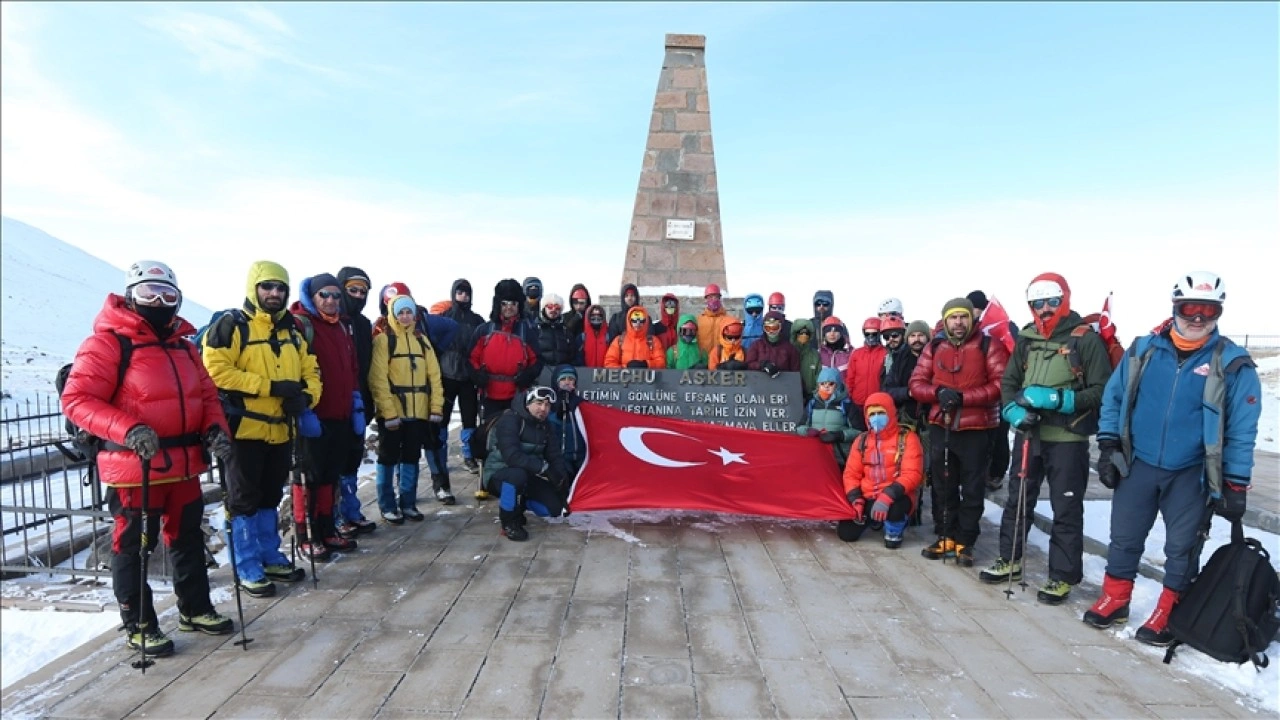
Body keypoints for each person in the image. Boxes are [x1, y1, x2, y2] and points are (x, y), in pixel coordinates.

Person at [62, 261, 234, 656]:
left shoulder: (184, 348)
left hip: (184, 463)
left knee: (187, 538)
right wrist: (127, 430)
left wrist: (215, 431)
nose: (158, 301)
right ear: (129, 296)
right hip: (134, 466)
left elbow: (207, 397)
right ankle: (139, 623)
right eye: (148, 293)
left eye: (167, 295)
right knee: (134, 546)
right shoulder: (107, 343)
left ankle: (195, 607)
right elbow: (77, 400)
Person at [1082, 271, 1260, 646]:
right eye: (1189, 308)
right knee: (1124, 537)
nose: (1197, 319)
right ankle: (1116, 597)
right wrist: (1109, 445)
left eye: (1208, 311)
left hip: (1192, 472)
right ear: (1175, 307)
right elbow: (1114, 399)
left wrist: (1235, 483)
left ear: (1218, 313)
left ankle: (1169, 608)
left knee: (1182, 546)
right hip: (1139, 464)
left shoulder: (1232, 363)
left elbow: (1243, 430)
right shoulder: (1143, 349)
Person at [981, 273, 1112, 605]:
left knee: (1065, 505)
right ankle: (1009, 558)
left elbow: (1101, 390)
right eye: (1038, 303)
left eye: (1052, 301)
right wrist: (1012, 412)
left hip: (1067, 438)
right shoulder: (1026, 338)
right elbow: (1010, 381)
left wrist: (1060, 401)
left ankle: (1062, 576)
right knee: (1018, 498)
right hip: (1028, 433)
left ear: (1064, 299)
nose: (1045, 309)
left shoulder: (1085, 339)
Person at [203, 261, 319, 595]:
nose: (274, 293)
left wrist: (307, 396)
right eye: (267, 286)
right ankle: (246, 564)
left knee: (270, 495)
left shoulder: (292, 331)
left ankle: (270, 555)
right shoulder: (231, 326)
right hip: (243, 431)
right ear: (254, 288)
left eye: (281, 288)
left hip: (281, 429)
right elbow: (216, 371)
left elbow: (312, 369)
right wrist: (270, 387)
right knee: (243, 500)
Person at [908, 297, 1009, 566]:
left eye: (963, 317)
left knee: (973, 488)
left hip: (977, 427)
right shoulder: (935, 346)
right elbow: (916, 383)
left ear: (971, 318)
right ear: (946, 320)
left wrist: (964, 397)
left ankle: (966, 540)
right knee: (942, 485)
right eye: (953, 317)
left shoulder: (989, 345)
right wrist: (938, 393)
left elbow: (1001, 385)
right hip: (942, 424)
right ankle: (945, 535)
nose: (959, 322)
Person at [288, 273, 361, 559]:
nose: (330, 301)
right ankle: (306, 535)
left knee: (330, 475)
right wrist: (304, 409)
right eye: (324, 295)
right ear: (313, 296)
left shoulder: (342, 327)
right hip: (314, 416)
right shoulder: (301, 324)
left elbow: (351, 369)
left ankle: (327, 529)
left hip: (339, 414)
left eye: (335, 296)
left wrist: (355, 403)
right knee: (308, 477)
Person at [370, 293, 445, 523]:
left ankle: (408, 502)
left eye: (408, 312)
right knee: (387, 459)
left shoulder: (422, 341)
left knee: (411, 458)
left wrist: (436, 407)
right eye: (400, 312)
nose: (404, 316)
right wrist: (388, 412)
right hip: (393, 413)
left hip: (418, 412)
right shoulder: (384, 340)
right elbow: (378, 378)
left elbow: (435, 376)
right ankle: (387, 504)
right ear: (392, 314)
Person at [482, 386, 571, 541]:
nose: (543, 409)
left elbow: (554, 456)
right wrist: (544, 469)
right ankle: (509, 522)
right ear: (528, 403)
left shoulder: (546, 426)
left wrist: (561, 482)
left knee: (553, 509)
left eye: (547, 405)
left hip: (527, 475)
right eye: (539, 403)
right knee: (517, 475)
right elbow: (512, 456)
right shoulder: (510, 420)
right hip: (499, 473)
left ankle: (519, 505)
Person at [840, 393, 924, 549]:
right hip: (868, 495)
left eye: (881, 413)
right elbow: (851, 474)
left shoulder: (907, 438)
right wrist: (855, 499)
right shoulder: (862, 440)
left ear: (891, 413)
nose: (876, 418)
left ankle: (896, 524)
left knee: (893, 533)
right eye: (872, 414)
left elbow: (913, 474)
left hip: (895, 497)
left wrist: (888, 496)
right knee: (846, 534)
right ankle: (875, 519)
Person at [334, 267, 378, 536]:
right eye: (353, 290)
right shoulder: (329, 320)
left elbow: (367, 366)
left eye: (363, 292)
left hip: (359, 400)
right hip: (333, 402)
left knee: (352, 458)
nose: (359, 296)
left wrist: (368, 400)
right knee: (334, 461)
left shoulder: (362, 324)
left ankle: (352, 509)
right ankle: (335, 515)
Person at [470, 279, 542, 423]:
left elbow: (537, 361)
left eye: (513, 304)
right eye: (504, 303)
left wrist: (528, 375)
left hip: (516, 395)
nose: (509, 308)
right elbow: (471, 358)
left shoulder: (526, 332)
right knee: (490, 436)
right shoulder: (484, 330)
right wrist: (477, 375)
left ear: (519, 306)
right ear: (498, 305)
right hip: (489, 395)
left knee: (514, 435)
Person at [969, 289, 1019, 492]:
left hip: (1005, 389)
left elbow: (1014, 351)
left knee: (1000, 434)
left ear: (978, 308)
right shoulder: (976, 328)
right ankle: (984, 471)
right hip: (984, 389)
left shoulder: (1001, 325)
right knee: (986, 435)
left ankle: (996, 473)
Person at [438, 278, 486, 476]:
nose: (463, 296)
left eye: (466, 293)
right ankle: (440, 455)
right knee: (442, 419)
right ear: (453, 294)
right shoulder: (444, 317)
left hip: (467, 376)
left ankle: (469, 455)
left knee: (469, 419)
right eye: (460, 292)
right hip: (446, 374)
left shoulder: (477, 320)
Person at [797, 367, 858, 475]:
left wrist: (840, 435)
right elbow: (799, 427)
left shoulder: (847, 404)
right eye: (822, 383)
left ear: (838, 385)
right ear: (818, 385)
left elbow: (859, 431)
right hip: (816, 456)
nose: (826, 387)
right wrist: (807, 431)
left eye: (831, 384)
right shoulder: (812, 404)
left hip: (840, 458)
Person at [844, 317, 886, 431]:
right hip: (858, 403)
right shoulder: (857, 354)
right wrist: (851, 395)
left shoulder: (886, 353)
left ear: (879, 334)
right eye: (868, 334)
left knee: (877, 434)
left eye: (874, 334)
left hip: (877, 404)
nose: (871, 337)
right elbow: (850, 377)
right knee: (858, 434)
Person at [547, 365, 586, 475]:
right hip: (560, 456)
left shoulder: (582, 403)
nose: (567, 382)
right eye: (563, 379)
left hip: (581, 455)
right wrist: (558, 415)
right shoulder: (550, 402)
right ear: (556, 382)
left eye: (571, 379)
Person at [535, 293, 578, 382]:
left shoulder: (565, 331)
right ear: (544, 308)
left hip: (561, 375)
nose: (553, 310)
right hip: (539, 374)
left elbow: (573, 354)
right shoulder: (535, 328)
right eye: (550, 306)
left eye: (557, 308)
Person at [746, 311, 799, 377]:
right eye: (768, 328)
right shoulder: (756, 346)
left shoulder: (790, 349)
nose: (771, 332)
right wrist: (762, 365)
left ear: (781, 327)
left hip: (783, 384)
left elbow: (796, 373)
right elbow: (749, 364)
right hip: (760, 383)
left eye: (775, 328)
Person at [791, 318, 820, 403]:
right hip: (790, 396)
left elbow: (819, 376)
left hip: (810, 398)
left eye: (807, 333)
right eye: (801, 333)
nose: (804, 335)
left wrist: (814, 394)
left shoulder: (815, 355)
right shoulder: (787, 351)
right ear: (795, 334)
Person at [696, 284, 728, 355]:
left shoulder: (727, 319)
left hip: (721, 359)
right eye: (710, 297)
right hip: (703, 360)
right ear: (706, 299)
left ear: (719, 298)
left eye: (716, 297)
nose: (713, 300)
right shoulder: (699, 320)